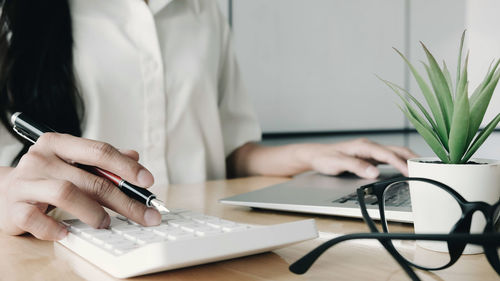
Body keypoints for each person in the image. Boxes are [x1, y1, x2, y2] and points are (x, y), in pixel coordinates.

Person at [0, 0, 416, 241]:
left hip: (205, 234)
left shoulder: (204, 11)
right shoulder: (17, 14)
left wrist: (308, 154)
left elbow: (230, 149)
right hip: (73, 242)